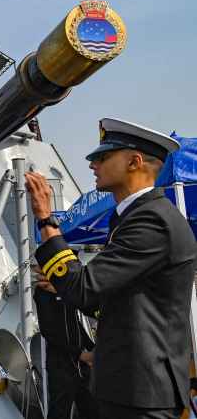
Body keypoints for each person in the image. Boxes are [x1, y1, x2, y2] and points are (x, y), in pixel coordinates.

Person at [26, 118, 196, 419]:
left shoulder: (152, 220)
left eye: (102, 157)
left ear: (135, 161)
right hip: (128, 386)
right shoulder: (132, 217)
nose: (93, 164)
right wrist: (66, 285)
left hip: (143, 392)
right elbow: (115, 303)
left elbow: (82, 288)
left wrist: (45, 218)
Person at [32, 260, 97, 419]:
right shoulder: (42, 295)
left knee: (92, 409)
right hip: (61, 365)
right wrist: (80, 354)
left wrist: (91, 347)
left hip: (81, 364)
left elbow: (78, 321)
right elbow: (50, 332)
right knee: (60, 410)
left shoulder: (67, 292)